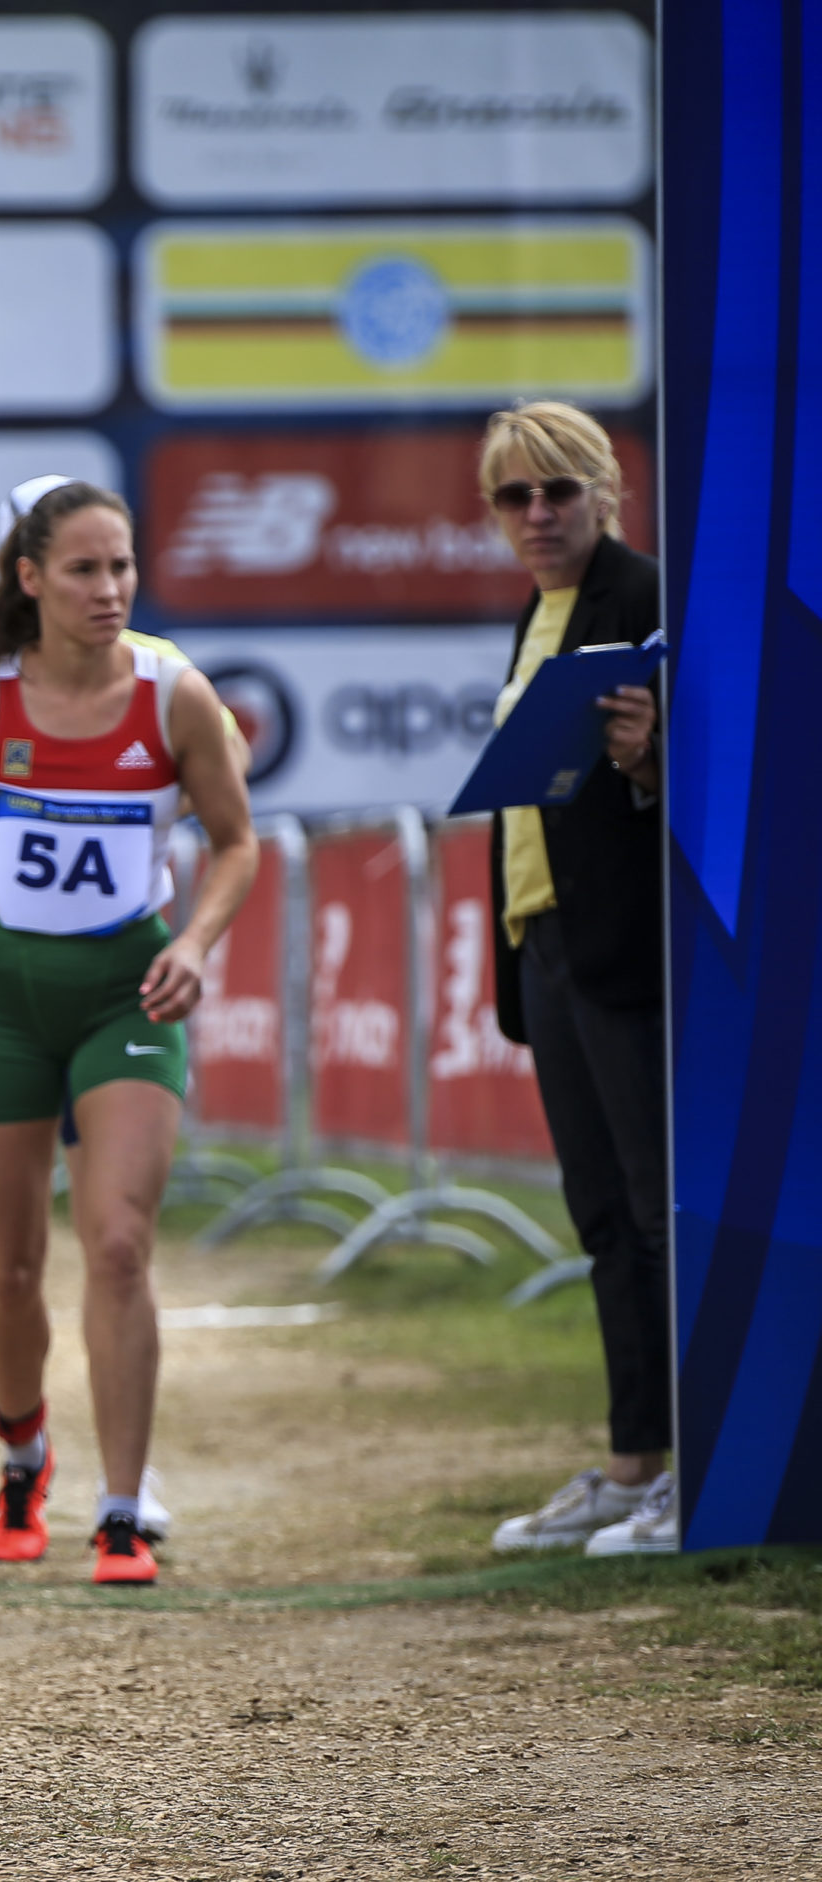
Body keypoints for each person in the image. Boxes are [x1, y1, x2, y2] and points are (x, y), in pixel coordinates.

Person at [0, 475, 247, 1549]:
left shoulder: (173, 693)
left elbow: (236, 840)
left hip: (125, 993)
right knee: (4, 1263)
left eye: (122, 567)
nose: (109, 588)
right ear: (31, 578)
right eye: (84, 569)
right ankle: (20, 1451)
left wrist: (192, 942)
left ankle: (123, 1504)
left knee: (121, 1243)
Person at [473, 404, 673, 1558]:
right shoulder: (538, 608)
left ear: (607, 490)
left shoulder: (644, 597)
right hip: (544, 939)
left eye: (558, 490)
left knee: (655, 1214)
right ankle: (632, 1464)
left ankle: (695, 1469)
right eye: (515, 495)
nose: (538, 513)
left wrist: (653, 758)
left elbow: (730, 774)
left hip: (624, 947)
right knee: (603, 1217)